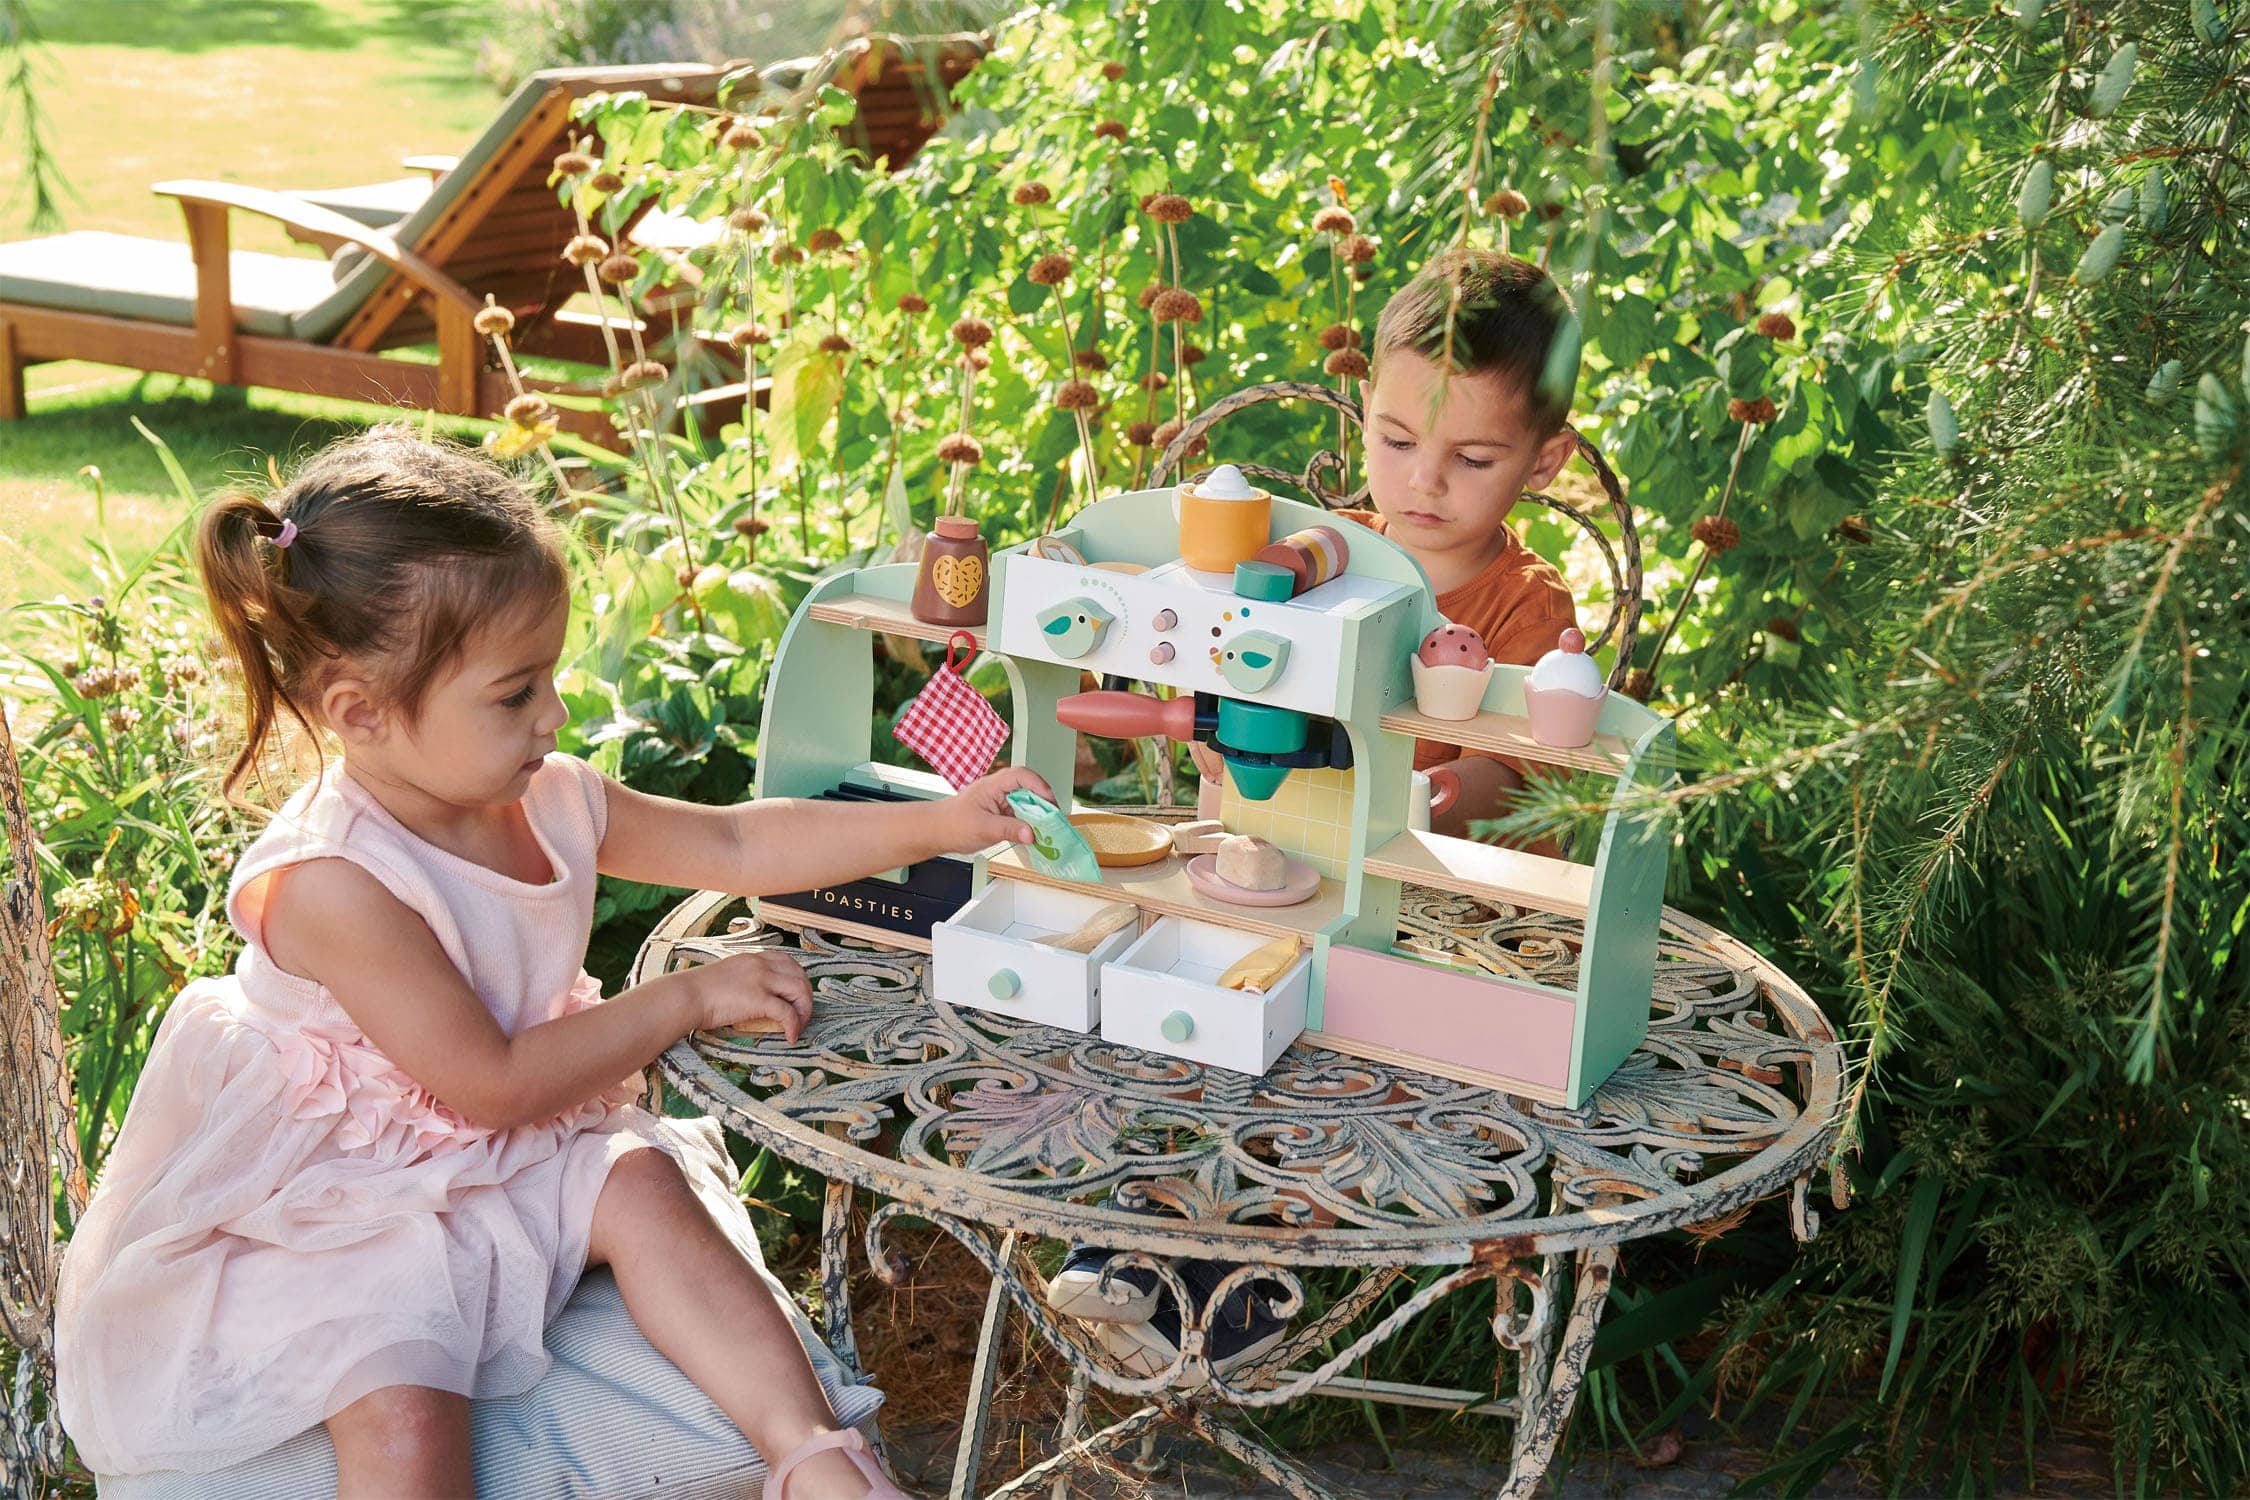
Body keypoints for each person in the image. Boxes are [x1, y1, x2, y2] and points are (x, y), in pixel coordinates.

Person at [56, 429, 1048, 1500]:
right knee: (397, 1392)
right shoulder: (335, 884)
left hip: (505, 1131)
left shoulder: (547, 796)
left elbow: (733, 843)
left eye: (551, 679)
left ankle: (808, 1454)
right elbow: (489, 1084)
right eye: (516, 693)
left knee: (644, 1185)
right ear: (361, 712)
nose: (556, 715)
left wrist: (944, 823)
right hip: (340, 1188)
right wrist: (686, 997)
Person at [1049, 246, 1584, 1378]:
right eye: (1395, 441)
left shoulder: (1526, 608)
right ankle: (1137, 1238)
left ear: (1545, 461)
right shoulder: (1315, 558)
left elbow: (1521, 773)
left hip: (1434, 913)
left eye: (1472, 458)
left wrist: (1442, 791)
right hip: (1273, 874)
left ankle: (1238, 1293)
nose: (1423, 484)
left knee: (1335, 1063)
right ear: (1364, 416)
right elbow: (1223, 686)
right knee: (1177, 1005)